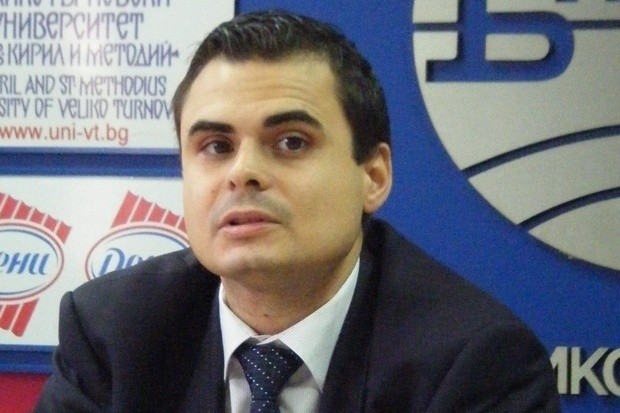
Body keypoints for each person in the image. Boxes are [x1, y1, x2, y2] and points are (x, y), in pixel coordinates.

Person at [35, 10, 560, 412]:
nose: (243, 172)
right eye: (216, 146)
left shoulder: (475, 365)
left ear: (373, 176)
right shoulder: (112, 332)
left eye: (290, 142)